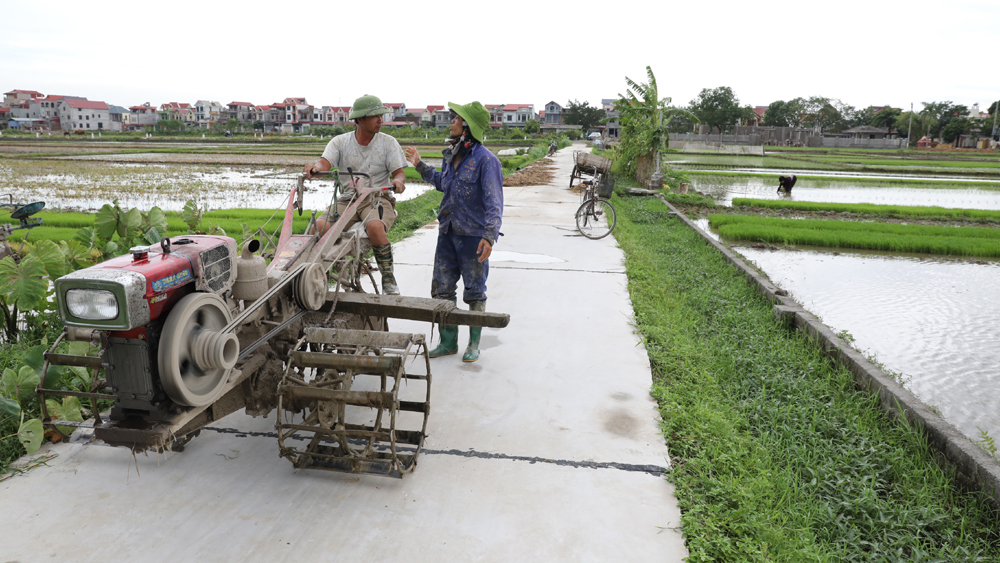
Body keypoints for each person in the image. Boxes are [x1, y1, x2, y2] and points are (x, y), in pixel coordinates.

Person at [404, 102, 503, 363]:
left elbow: (494, 202)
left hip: (473, 237)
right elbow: (443, 184)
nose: (451, 123)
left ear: (467, 128)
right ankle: (448, 342)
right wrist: (420, 165)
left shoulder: (486, 160)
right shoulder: (451, 155)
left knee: (474, 291)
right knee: (442, 289)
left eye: (456, 120)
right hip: (447, 232)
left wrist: (489, 236)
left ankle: (473, 344)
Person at [303, 94, 407, 295]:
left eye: (381, 115)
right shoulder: (340, 142)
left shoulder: (388, 143)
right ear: (359, 120)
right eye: (375, 116)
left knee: (376, 227)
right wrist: (314, 168)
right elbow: (325, 163)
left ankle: (388, 278)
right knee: (319, 226)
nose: (380, 120)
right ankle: (316, 274)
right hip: (348, 199)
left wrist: (398, 183)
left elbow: (399, 173)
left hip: (376, 198)